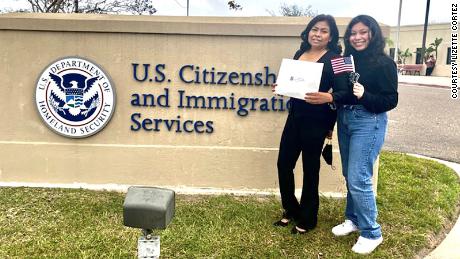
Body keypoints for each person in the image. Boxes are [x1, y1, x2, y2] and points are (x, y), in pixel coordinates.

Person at [318, 15, 398, 254]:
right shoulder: (345, 61)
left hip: (369, 120)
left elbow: (390, 100)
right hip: (345, 118)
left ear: (372, 34)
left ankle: (372, 232)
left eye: (363, 32)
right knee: (349, 172)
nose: (357, 37)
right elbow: (342, 93)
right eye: (353, 33)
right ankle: (353, 219)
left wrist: (365, 96)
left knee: (358, 176)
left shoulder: (384, 63)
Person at [272, 14, 347, 234]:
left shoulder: (336, 59)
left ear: (331, 36)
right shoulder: (300, 53)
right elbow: (295, 83)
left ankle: (308, 218)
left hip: (318, 120)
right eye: (315, 29)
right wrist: (282, 86)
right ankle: (291, 209)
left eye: (324, 31)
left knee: (310, 169)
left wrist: (329, 97)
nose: (318, 34)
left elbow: (346, 93)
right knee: (284, 164)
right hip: (295, 117)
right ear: (308, 31)